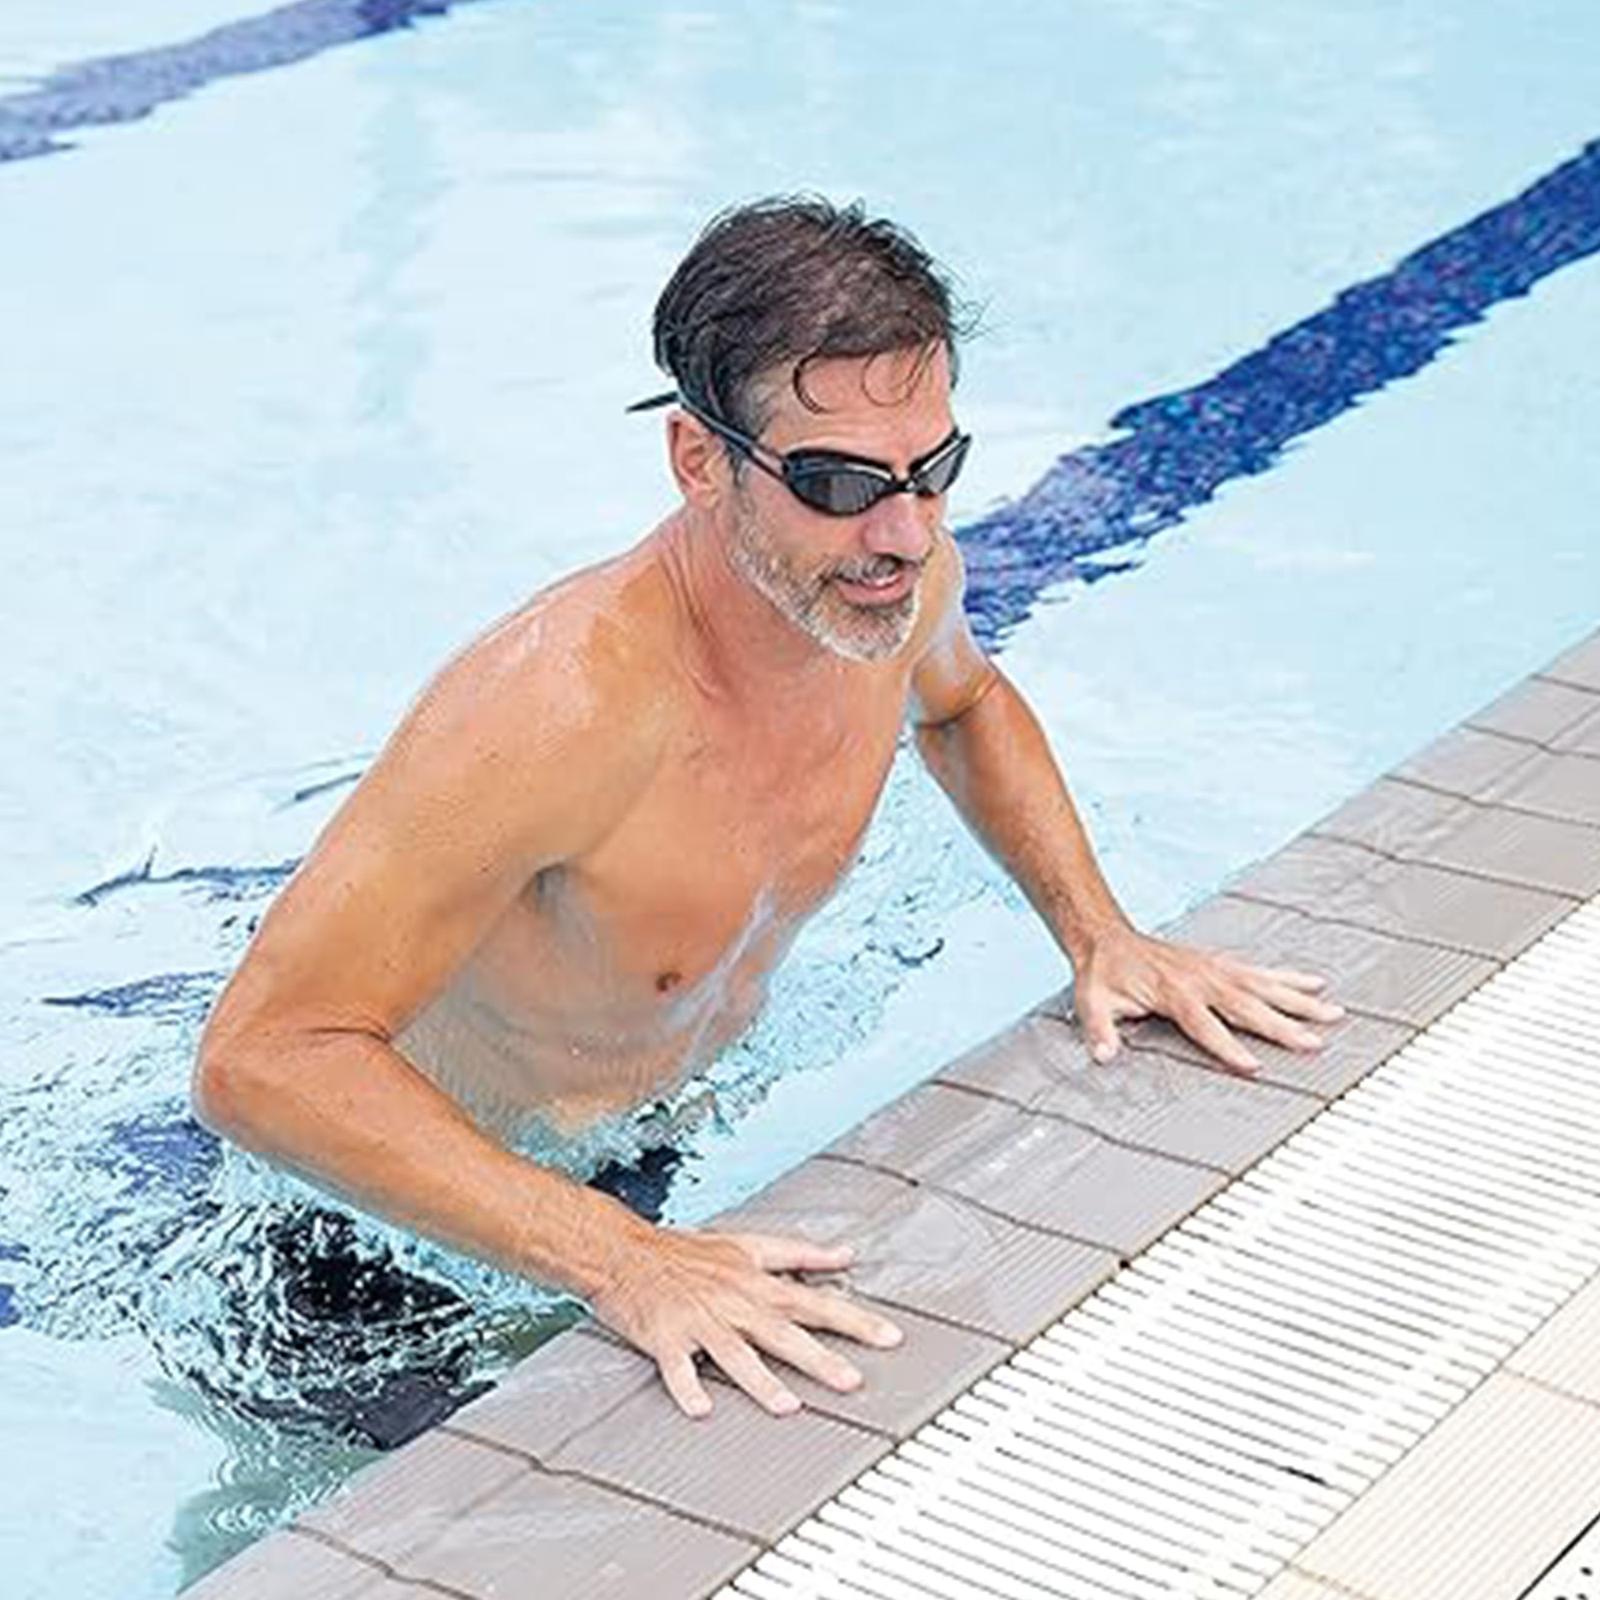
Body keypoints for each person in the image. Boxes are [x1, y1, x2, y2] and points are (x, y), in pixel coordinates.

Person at [192, 195, 1344, 1425]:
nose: (902, 533)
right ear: (701, 462)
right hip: (373, 1239)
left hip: (622, 1155)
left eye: (933, 470)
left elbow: (963, 704)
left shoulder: (891, 587)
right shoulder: (557, 711)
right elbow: (261, 1056)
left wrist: (1100, 932)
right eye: (837, 481)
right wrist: (618, 1258)